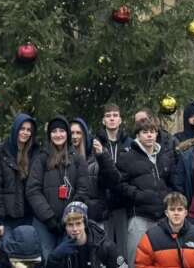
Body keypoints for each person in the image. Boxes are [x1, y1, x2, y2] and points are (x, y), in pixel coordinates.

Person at [28, 118, 92, 260]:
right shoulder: (41, 158)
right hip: (45, 223)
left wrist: (70, 215)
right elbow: (33, 190)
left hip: (71, 223)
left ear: (67, 133)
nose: (58, 134)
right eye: (54, 131)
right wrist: (49, 218)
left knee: (69, 259)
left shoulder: (77, 159)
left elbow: (83, 188)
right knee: (47, 259)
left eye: (62, 131)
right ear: (49, 135)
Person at [117, 116, 174, 268]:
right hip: (139, 218)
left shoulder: (164, 156)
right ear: (138, 135)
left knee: (162, 262)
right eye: (145, 132)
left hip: (162, 218)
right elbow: (120, 185)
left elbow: (171, 182)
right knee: (137, 261)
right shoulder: (127, 157)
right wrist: (137, 195)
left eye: (152, 132)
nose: (149, 135)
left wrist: (167, 197)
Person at [0, 114, 39, 237]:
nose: (25, 133)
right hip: (7, 219)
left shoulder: (35, 153)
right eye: (22, 129)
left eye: (29, 130)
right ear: (15, 129)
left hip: (28, 217)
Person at [92, 105, 129, 260]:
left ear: (120, 120)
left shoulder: (129, 143)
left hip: (122, 203)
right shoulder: (95, 143)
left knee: (123, 251)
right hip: (103, 204)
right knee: (103, 249)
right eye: (108, 115)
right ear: (103, 120)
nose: (112, 118)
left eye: (115, 115)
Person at [69, 119, 118, 232]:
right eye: (72, 133)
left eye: (78, 133)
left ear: (85, 135)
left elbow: (113, 179)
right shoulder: (64, 158)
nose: (75, 136)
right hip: (71, 218)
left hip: (95, 216)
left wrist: (102, 156)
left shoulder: (96, 154)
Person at [132, 193, 194, 268]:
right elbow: (141, 265)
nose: (176, 213)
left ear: (185, 213)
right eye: (172, 209)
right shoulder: (151, 236)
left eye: (180, 209)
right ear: (166, 213)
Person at [46, 203, 119, 268]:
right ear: (65, 227)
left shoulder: (106, 246)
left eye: (78, 223)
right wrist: (53, 259)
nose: (74, 229)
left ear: (85, 224)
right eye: (70, 225)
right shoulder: (62, 250)